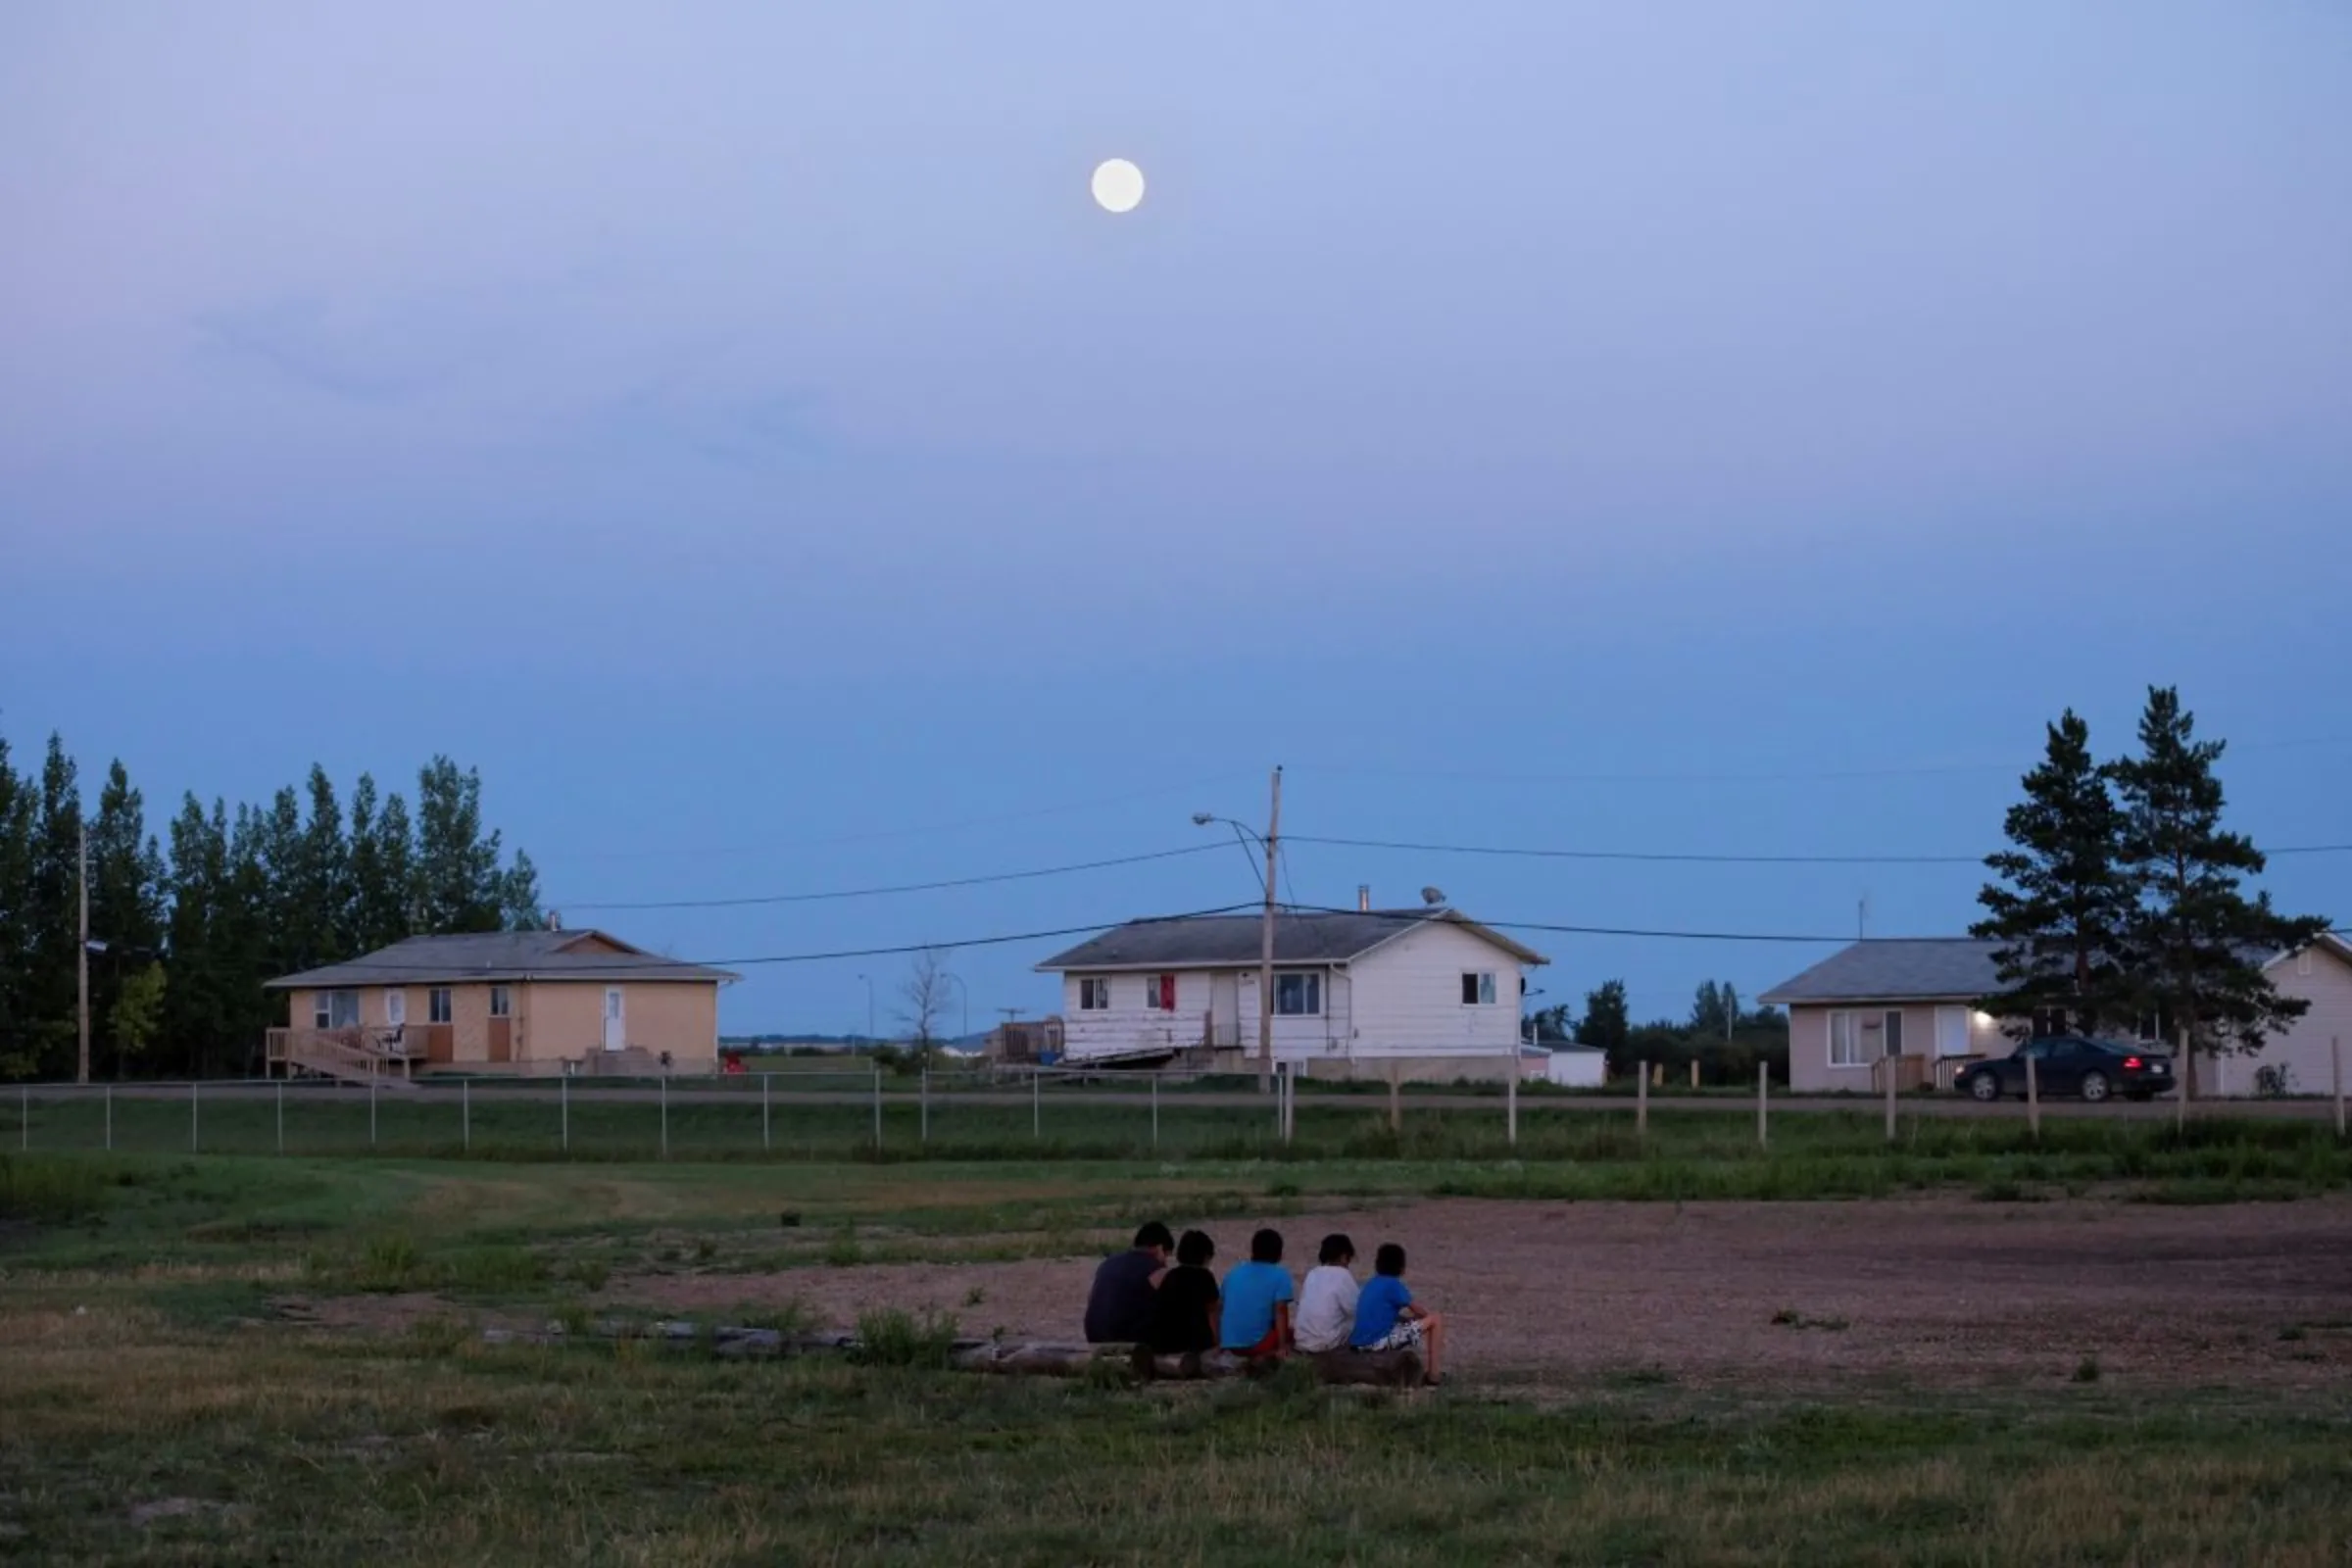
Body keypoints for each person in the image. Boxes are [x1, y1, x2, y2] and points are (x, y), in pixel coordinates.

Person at [1349, 1242, 1445, 1385]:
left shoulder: (1371, 1283)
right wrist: (1423, 1321)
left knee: (1406, 1322)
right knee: (1436, 1319)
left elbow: (1382, 1315)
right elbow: (1419, 1310)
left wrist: (1409, 1322)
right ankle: (1434, 1376)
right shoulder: (1393, 1284)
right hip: (1375, 1343)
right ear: (1401, 1267)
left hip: (1359, 1342)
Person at [1083, 1221, 1173, 1343]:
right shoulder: (1155, 1268)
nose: (1165, 1262)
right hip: (1126, 1339)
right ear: (1160, 1248)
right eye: (1166, 1256)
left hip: (1094, 1336)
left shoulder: (1109, 1263)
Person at [1219, 1227, 1297, 1361]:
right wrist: (1282, 1347)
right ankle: (1267, 1357)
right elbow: (1281, 1311)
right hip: (1256, 1346)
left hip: (1228, 1344)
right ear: (1279, 1253)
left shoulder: (1234, 1272)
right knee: (1291, 1333)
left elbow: (1221, 1306)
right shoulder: (1280, 1275)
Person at [1146, 1229, 1221, 1356]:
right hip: (1194, 1344)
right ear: (1206, 1256)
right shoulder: (1205, 1277)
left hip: (1165, 1343)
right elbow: (1212, 1313)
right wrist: (1217, 1342)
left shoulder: (1170, 1276)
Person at [1294, 1233, 1360, 1354]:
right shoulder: (1343, 1275)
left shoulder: (1312, 1273)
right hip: (1324, 1342)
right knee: (1356, 1321)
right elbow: (1356, 1309)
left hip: (1302, 1340)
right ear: (1344, 1257)